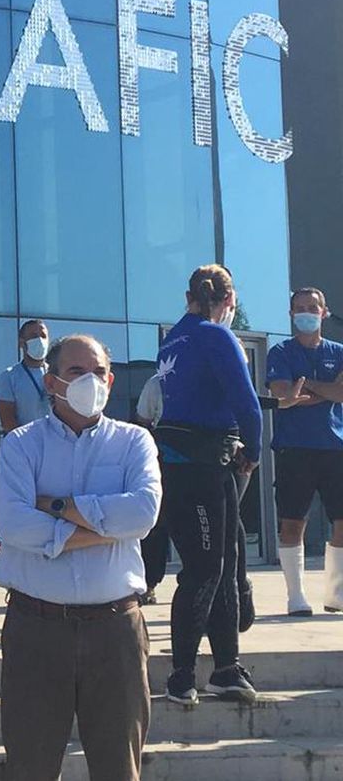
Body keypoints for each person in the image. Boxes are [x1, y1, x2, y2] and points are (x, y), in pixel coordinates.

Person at [0, 334, 162, 781]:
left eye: (98, 372)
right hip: (36, 628)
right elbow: (14, 525)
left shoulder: (134, 442)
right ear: (52, 383)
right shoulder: (21, 445)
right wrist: (104, 530)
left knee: (118, 769)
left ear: (111, 379)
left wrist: (56, 507)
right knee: (29, 768)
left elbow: (143, 513)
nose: (91, 380)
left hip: (115, 630)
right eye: (76, 371)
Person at [156, 264, 262, 706]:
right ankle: (181, 674)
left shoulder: (172, 339)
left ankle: (226, 667)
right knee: (205, 568)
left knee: (225, 562)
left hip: (184, 463)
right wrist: (253, 450)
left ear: (189, 296)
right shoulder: (216, 335)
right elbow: (246, 401)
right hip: (202, 466)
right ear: (229, 300)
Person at [267, 287, 343, 615]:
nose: (306, 313)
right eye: (300, 308)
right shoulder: (280, 351)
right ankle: (295, 597)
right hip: (294, 448)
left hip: (336, 447)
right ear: (290, 314)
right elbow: (284, 395)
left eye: (313, 307)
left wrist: (308, 384)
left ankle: (336, 594)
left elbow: (341, 394)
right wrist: (328, 389)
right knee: (292, 522)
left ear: (324, 312)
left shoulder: (339, 352)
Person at [133, 372, 170, 604]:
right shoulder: (157, 382)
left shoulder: (215, 377)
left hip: (204, 463)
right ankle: (148, 584)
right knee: (156, 525)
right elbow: (143, 420)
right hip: (164, 460)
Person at [0, 320, 52, 431]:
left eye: (43, 336)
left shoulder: (56, 373)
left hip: (55, 439)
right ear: (21, 342)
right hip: (26, 440)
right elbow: (8, 422)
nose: (40, 340)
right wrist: (27, 441)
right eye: (34, 336)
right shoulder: (9, 377)